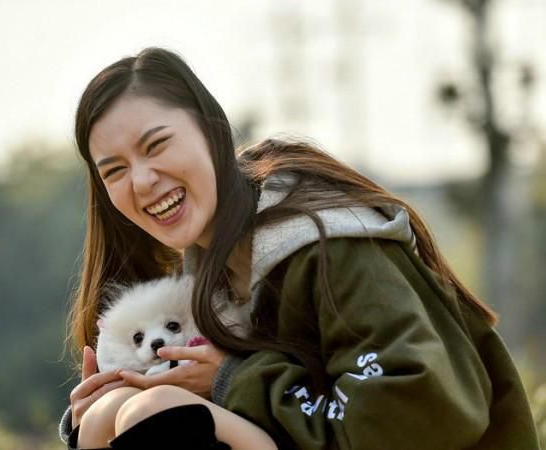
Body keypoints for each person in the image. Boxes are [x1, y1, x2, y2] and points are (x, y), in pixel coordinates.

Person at [59, 46, 540, 449]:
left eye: (156, 145)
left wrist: (233, 381)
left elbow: (418, 410)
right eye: (115, 171)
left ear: (212, 130)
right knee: (109, 416)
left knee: (155, 412)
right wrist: (102, 408)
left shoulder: (329, 245)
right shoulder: (201, 282)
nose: (142, 181)